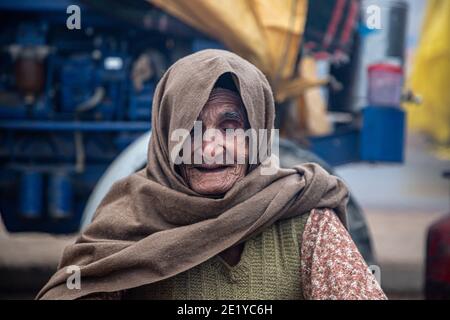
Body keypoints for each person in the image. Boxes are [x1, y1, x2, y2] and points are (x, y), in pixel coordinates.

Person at [37, 49, 386, 300]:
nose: (210, 148)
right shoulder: (128, 221)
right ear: (165, 135)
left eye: (230, 126)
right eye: (192, 128)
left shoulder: (307, 220)